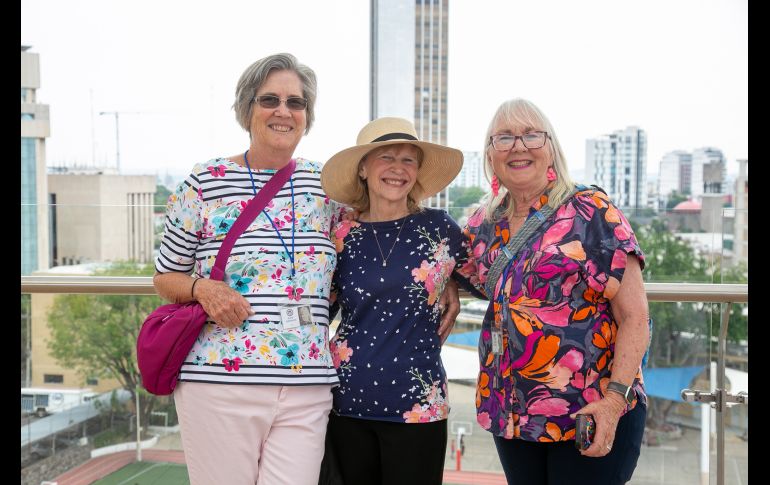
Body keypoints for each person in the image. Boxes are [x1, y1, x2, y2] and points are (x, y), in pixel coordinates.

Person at [153, 53, 343, 485]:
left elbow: (378, 238)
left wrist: (443, 282)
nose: (283, 111)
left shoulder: (329, 184)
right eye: (269, 99)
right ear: (246, 109)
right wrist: (204, 290)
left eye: (296, 103)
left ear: (307, 116)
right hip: (220, 383)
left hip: (307, 383)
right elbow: (166, 276)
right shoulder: (204, 182)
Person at [455, 98, 650, 485]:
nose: (518, 146)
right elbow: (455, 272)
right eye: (504, 138)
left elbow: (635, 316)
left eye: (531, 135)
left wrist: (613, 402)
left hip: (588, 411)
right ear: (491, 155)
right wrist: (446, 288)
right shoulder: (483, 223)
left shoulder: (591, 211)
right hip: (511, 414)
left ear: (551, 147)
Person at [320, 117, 482, 485]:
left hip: (418, 406)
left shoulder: (439, 229)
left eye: (409, 159)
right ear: (363, 168)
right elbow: (321, 309)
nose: (398, 169)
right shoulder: (342, 232)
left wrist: (450, 281)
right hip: (347, 403)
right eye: (386, 157)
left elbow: (488, 281)